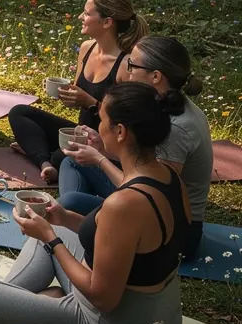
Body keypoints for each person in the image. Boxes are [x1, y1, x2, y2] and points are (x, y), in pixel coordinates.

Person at [0, 83, 189, 324]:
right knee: (57, 225)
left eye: (103, 119)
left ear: (120, 132)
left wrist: (50, 239)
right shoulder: (168, 177)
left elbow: (103, 298)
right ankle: (9, 303)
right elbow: (134, 237)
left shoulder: (124, 206)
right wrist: (63, 219)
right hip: (162, 318)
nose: (97, 125)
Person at [59, 36, 211, 259]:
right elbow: (144, 164)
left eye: (132, 65)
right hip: (143, 199)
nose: (127, 72)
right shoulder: (164, 106)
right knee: (71, 160)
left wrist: (100, 159)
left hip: (172, 229)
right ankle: (86, 220)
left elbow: (153, 192)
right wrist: (101, 149)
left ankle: (83, 222)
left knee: (69, 202)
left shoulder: (176, 127)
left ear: (156, 76)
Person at [8, 0, 148, 183]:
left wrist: (90, 102)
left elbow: (128, 124)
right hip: (79, 132)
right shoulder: (86, 48)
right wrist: (66, 93)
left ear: (107, 22)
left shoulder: (126, 65)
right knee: (19, 113)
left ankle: (43, 155)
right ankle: (46, 164)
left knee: (61, 155)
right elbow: (77, 93)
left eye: (87, 13)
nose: (80, 17)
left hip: (104, 144)